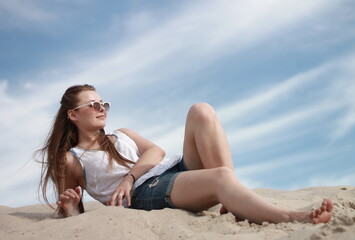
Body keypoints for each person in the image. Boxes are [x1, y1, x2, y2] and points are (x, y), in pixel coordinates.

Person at [38, 84, 333, 224]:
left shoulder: (122, 134)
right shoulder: (72, 157)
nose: (101, 108)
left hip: (171, 169)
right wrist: (71, 206)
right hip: (144, 194)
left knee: (201, 111)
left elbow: (157, 151)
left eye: (104, 103)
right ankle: (292, 216)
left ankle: (232, 200)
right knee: (219, 178)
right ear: (73, 115)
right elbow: (72, 212)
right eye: (93, 104)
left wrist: (129, 175)